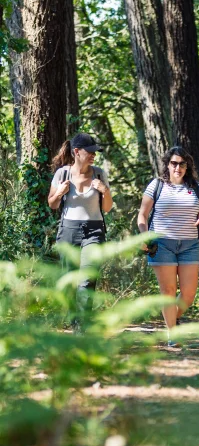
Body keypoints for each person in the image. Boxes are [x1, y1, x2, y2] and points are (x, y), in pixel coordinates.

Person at [137, 147, 199, 346]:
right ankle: (172, 334)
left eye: (182, 164)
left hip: (189, 244)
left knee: (189, 293)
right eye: (174, 163)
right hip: (162, 244)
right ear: (167, 165)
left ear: (187, 166)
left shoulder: (196, 187)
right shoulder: (157, 185)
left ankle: (172, 319)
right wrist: (144, 237)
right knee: (168, 291)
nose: (178, 167)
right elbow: (142, 215)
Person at [48, 132, 113, 315]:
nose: (94, 155)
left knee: (87, 278)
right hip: (68, 230)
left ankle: (82, 325)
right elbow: (52, 204)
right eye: (90, 151)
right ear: (76, 152)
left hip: (94, 231)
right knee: (69, 279)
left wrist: (105, 191)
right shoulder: (63, 173)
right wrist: (60, 192)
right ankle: (72, 318)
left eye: (95, 152)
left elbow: (107, 208)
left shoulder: (99, 174)